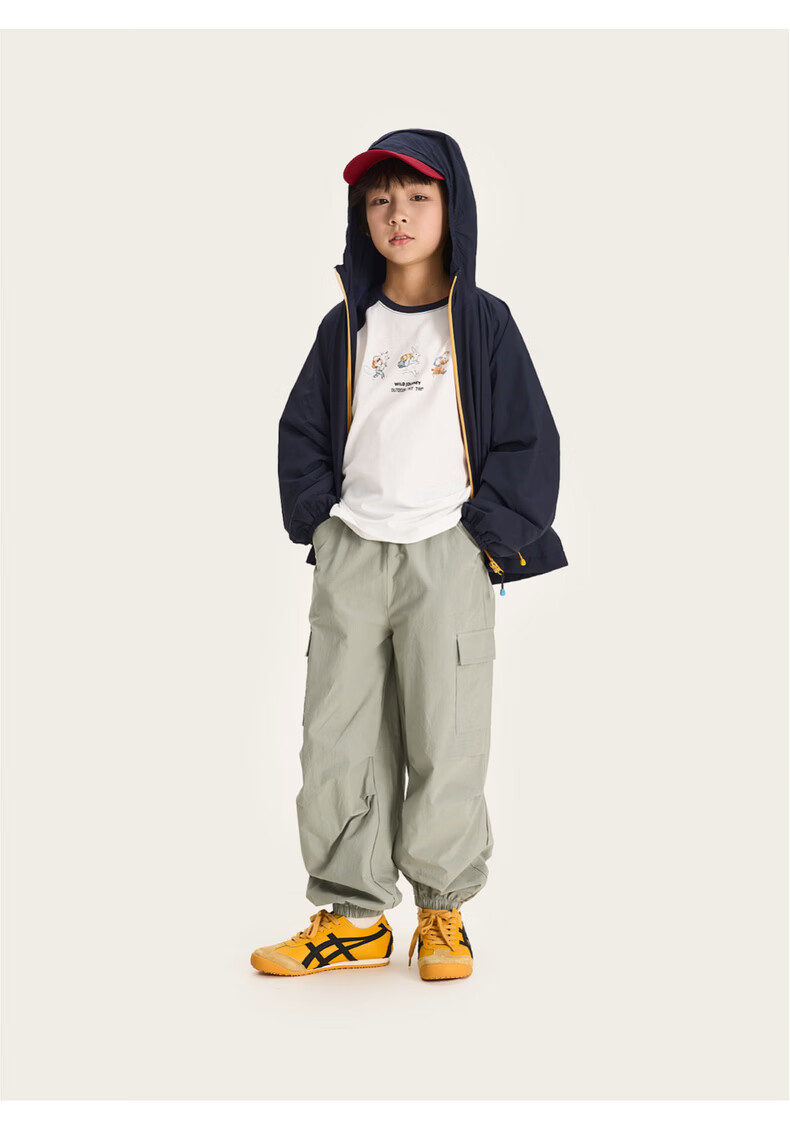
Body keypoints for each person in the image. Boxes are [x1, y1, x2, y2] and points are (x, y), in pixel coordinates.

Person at [251, 128, 567, 981]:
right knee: (336, 736)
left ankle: (441, 911)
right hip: (354, 553)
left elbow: (530, 440)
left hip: (446, 557)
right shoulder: (347, 326)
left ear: (450, 208)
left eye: (417, 197)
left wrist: (485, 540)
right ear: (362, 215)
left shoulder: (484, 325)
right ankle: (353, 916)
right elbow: (302, 432)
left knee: (445, 736)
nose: (398, 214)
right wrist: (320, 525)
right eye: (380, 199)